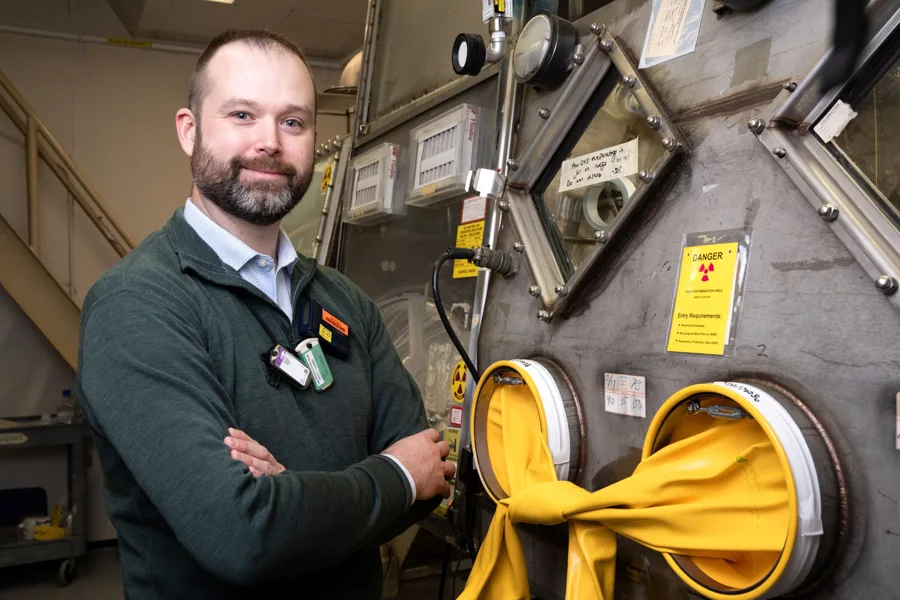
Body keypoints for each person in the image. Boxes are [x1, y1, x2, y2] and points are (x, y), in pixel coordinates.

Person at [76, 29, 455, 599]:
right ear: (190, 129)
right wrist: (390, 476)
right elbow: (243, 534)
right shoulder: (136, 307)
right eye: (243, 115)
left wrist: (295, 496)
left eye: (293, 122)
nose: (270, 142)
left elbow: (432, 476)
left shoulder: (345, 302)